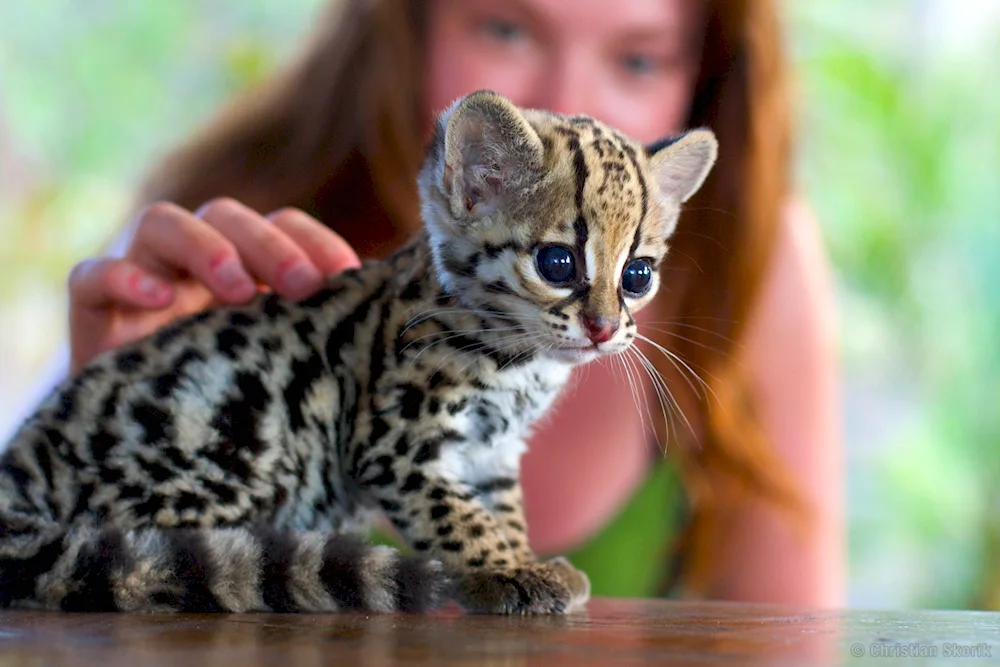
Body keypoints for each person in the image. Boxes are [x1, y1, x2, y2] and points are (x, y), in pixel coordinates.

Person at [63, 0, 844, 606]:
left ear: (702, 74)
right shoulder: (227, 232)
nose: (566, 103)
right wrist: (124, 414)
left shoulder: (749, 265)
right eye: (506, 27)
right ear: (408, 20)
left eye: (637, 59)